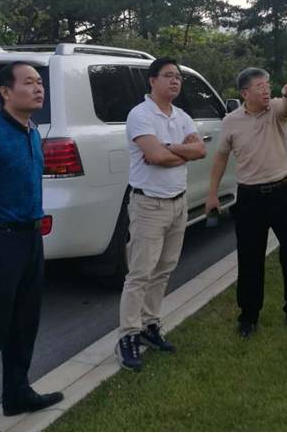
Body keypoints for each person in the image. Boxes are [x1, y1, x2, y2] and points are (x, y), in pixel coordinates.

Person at [0, 62, 63, 432]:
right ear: (5, 92)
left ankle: (17, 394)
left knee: (24, 324)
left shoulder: (31, 131)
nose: (38, 88)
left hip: (30, 238)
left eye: (40, 82)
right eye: (29, 82)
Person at [206, 68, 287, 339]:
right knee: (250, 258)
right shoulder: (231, 121)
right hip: (250, 199)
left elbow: (286, 107)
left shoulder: (275, 108)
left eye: (268, 85)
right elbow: (220, 157)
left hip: (282, 193)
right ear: (245, 93)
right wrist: (212, 193)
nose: (266, 90)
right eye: (260, 86)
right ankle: (249, 317)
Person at [116, 57, 206, 372]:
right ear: (152, 80)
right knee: (140, 273)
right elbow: (154, 156)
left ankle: (149, 324)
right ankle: (128, 334)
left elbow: (200, 151)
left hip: (178, 203)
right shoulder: (140, 115)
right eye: (168, 75)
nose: (175, 81)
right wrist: (179, 151)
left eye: (178, 76)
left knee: (164, 269)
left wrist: (169, 148)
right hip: (149, 205)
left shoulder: (181, 116)